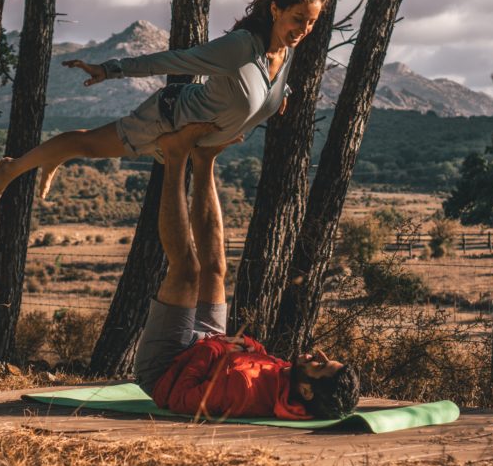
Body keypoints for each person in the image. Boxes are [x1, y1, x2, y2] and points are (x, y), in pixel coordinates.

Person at [0, 0, 329, 207]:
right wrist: (108, 69)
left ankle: (52, 157)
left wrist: (280, 96)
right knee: (85, 143)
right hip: (168, 118)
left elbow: (269, 82)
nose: (304, 28)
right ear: (275, 8)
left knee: (86, 146)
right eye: (298, 18)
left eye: (311, 22)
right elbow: (173, 61)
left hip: (192, 139)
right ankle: (12, 168)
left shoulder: (286, 49)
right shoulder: (240, 47)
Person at [134, 128, 360, 420]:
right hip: (208, 346)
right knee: (215, 270)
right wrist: (242, 345)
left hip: (167, 365)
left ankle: (174, 156)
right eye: (326, 358)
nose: (317, 355)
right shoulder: (286, 378)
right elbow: (251, 357)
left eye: (319, 366)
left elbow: (175, 397)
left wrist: (217, 347)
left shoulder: (244, 392)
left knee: (188, 271)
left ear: (307, 391)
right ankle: (204, 161)